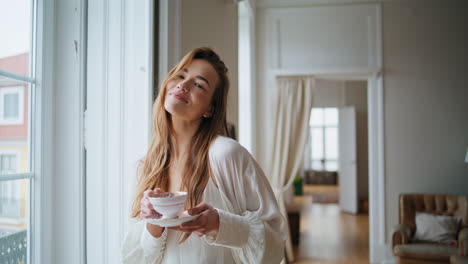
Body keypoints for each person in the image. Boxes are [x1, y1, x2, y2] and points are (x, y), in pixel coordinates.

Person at [121, 47, 286, 264]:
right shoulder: (145, 167)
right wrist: (153, 223)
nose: (183, 84)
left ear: (209, 108)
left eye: (198, 84)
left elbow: (274, 245)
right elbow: (141, 259)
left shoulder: (225, 155)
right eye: (180, 75)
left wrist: (220, 224)